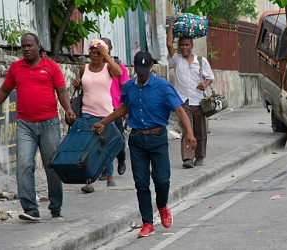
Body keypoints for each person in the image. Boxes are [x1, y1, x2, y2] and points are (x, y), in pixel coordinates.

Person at [91, 51, 197, 238]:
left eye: (144, 71)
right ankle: (147, 222)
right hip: (137, 139)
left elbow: (179, 110)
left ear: (151, 68)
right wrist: (104, 122)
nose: (141, 75)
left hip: (158, 138)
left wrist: (189, 133)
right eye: (138, 71)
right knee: (141, 183)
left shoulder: (162, 87)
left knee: (162, 180)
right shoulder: (130, 87)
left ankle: (162, 205)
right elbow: (123, 108)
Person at [0, 33, 76, 221]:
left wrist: (68, 109)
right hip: (25, 125)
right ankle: (30, 209)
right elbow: (3, 91)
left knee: (52, 166)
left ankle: (56, 208)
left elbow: (61, 91)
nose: (26, 49)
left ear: (38, 47)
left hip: (49, 123)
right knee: (24, 165)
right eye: (23, 46)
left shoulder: (51, 67)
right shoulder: (16, 68)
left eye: (30, 45)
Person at [166, 12, 215, 169]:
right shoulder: (176, 60)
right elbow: (168, 44)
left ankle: (199, 156)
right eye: (182, 45)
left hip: (198, 101)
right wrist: (172, 22)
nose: (184, 47)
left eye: (187, 45)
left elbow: (210, 77)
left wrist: (205, 85)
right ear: (179, 47)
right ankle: (187, 158)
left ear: (192, 46)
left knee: (200, 131)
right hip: (182, 101)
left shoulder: (201, 61)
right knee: (187, 129)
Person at [74, 39, 122, 193]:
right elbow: (84, 86)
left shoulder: (108, 68)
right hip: (87, 112)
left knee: (106, 145)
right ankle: (89, 180)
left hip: (106, 113)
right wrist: (77, 83)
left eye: (98, 53)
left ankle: (110, 176)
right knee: (88, 147)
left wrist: (106, 55)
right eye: (93, 52)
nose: (95, 56)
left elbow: (119, 72)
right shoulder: (84, 68)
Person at [98, 37, 129, 180]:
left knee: (118, 138)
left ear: (109, 49)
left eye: (104, 47)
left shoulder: (117, 66)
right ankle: (105, 169)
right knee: (102, 140)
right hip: (99, 108)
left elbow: (125, 87)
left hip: (115, 108)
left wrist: (126, 108)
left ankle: (121, 157)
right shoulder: (95, 66)